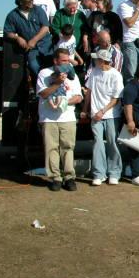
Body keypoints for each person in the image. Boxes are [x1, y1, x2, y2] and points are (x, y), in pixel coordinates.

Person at [36, 48, 83, 191]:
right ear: (55, 61)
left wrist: (64, 102)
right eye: (64, 60)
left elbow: (79, 97)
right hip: (49, 118)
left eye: (68, 60)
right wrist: (57, 83)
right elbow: (43, 94)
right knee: (51, 149)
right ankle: (55, 178)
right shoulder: (44, 73)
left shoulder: (73, 75)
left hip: (67, 117)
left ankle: (69, 178)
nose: (67, 63)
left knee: (68, 148)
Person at [82, 49, 124, 186]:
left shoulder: (116, 75)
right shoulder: (94, 72)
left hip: (112, 115)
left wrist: (102, 111)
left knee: (112, 143)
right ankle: (99, 174)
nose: (94, 61)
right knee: (98, 142)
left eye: (97, 59)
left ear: (102, 61)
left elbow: (116, 99)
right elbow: (89, 92)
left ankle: (114, 173)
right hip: (95, 115)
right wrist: (85, 110)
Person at [3, 0, 54, 78]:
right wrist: (17, 38)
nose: (31, 2)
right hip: (31, 49)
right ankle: (41, 83)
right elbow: (7, 32)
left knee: (51, 66)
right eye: (28, 0)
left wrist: (34, 40)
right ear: (20, 2)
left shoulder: (38, 10)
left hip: (46, 45)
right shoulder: (12, 15)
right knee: (34, 66)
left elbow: (45, 27)